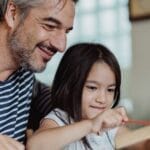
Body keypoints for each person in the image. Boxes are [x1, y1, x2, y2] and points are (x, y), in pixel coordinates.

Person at [26, 43, 137, 150]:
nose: (102, 99)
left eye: (110, 90)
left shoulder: (109, 127)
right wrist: (91, 124)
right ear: (69, 86)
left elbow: (142, 144)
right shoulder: (59, 119)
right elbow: (35, 146)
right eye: (92, 88)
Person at [0, 0, 78, 149]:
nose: (61, 46)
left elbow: (46, 95)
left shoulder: (24, 72)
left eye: (66, 31)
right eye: (50, 26)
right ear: (12, 13)